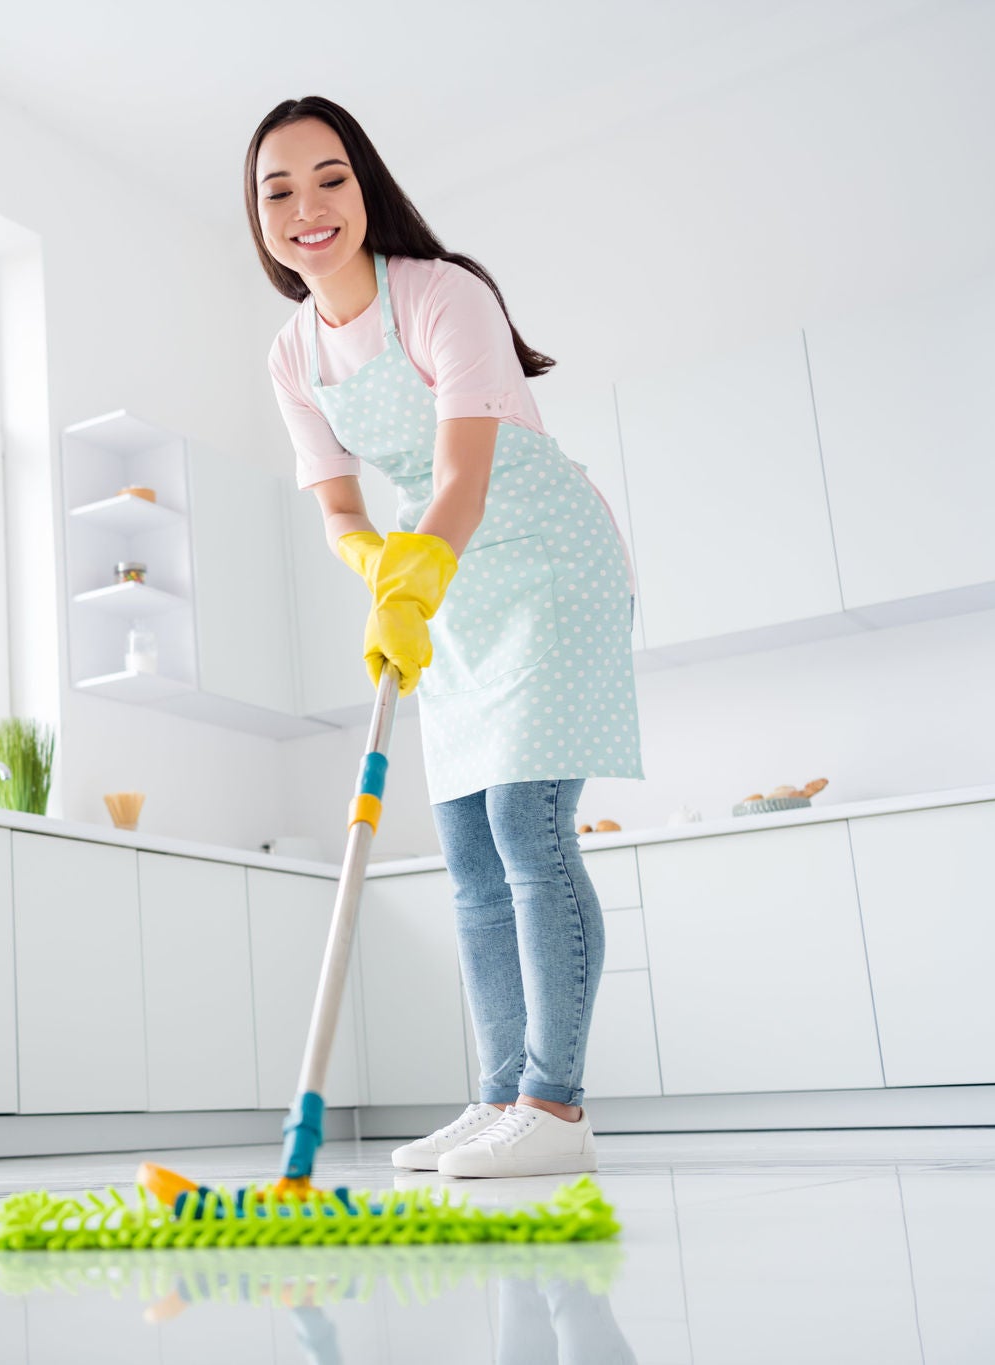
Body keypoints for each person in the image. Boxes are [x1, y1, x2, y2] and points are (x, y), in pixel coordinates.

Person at [250, 95, 644, 1179]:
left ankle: (553, 1109)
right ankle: (495, 1101)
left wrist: (416, 566)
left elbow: (464, 475)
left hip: (547, 563)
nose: (306, 207)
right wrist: (376, 566)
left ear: (364, 184)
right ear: (259, 221)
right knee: (466, 853)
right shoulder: (291, 357)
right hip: (451, 585)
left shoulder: (438, 294)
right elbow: (337, 508)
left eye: (328, 177)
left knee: (526, 827)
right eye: (276, 190)